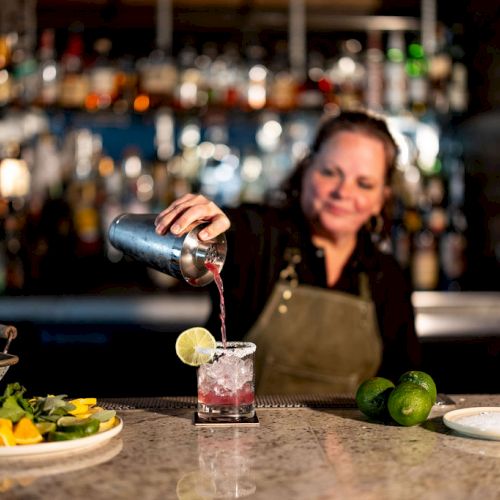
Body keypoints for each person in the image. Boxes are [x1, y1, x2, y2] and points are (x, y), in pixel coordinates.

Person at [155, 109, 421, 394]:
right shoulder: (260, 236)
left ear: (381, 199)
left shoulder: (386, 275)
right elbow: (228, 231)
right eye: (330, 172)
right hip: (242, 434)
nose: (343, 192)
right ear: (306, 170)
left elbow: (408, 383)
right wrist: (201, 223)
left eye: (364, 183)